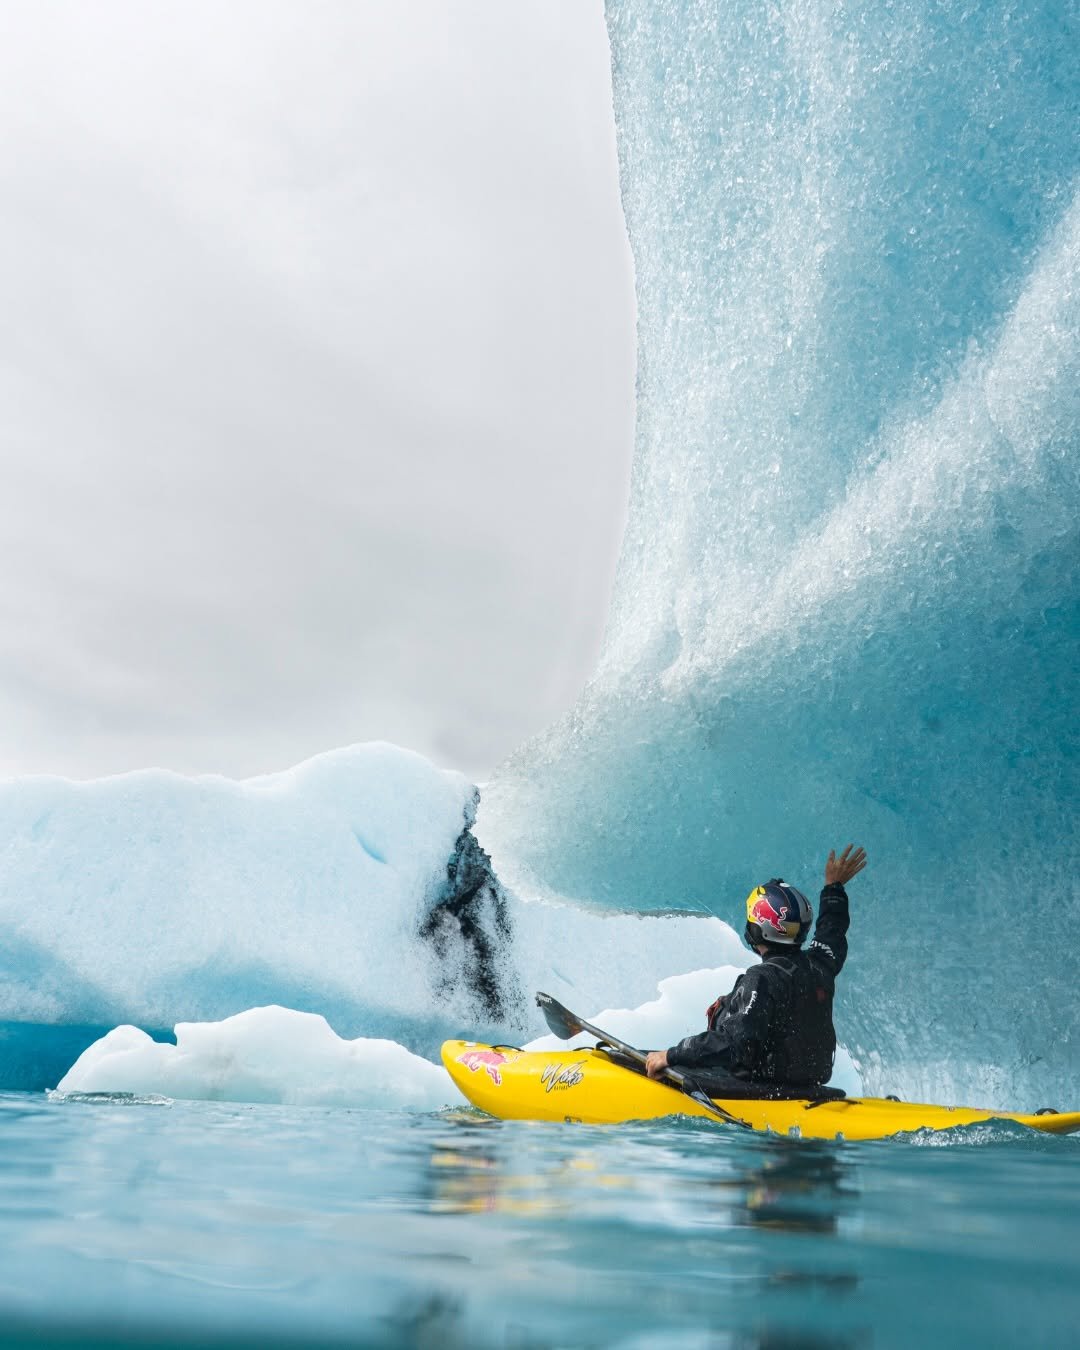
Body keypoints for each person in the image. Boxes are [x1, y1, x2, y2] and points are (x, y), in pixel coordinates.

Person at [644, 845, 867, 1089]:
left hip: (765, 1089)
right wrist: (834, 888)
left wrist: (672, 1055)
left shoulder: (762, 979)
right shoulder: (820, 964)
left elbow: (734, 1044)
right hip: (808, 1085)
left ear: (757, 931)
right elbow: (831, 931)